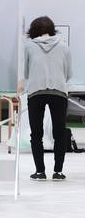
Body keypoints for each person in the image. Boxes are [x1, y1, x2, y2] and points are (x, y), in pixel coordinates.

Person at [24, 16, 72, 181]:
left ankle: (39, 171)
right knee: (59, 132)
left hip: (35, 91)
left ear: (33, 30)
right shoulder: (64, 46)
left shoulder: (29, 46)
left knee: (36, 133)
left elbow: (26, 72)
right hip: (59, 91)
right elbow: (68, 73)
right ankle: (58, 171)